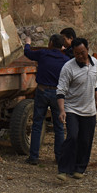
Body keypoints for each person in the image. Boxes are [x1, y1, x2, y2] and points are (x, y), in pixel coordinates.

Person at [56, 38, 97, 181]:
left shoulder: (95, 64)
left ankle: (79, 168)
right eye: (76, 54)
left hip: (89, 109)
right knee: (72, 137)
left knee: (85, 140)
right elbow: (61, 90)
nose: (80, 56)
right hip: (72, 109)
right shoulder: (68, 67)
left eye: (82, 53)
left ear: (88, 49)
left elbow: (95, 84)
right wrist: (62, 110)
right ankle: (63, 169)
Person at [23, 34, 70, 165]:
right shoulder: (66, 60)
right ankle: (59, 157)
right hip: (58, 94)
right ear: (61, 46)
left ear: (50, 43)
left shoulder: (43, 54)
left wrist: (28, 42)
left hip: (42, 91)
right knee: (59, 127)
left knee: (37, 124)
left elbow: (28, 53)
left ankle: (34, 157)